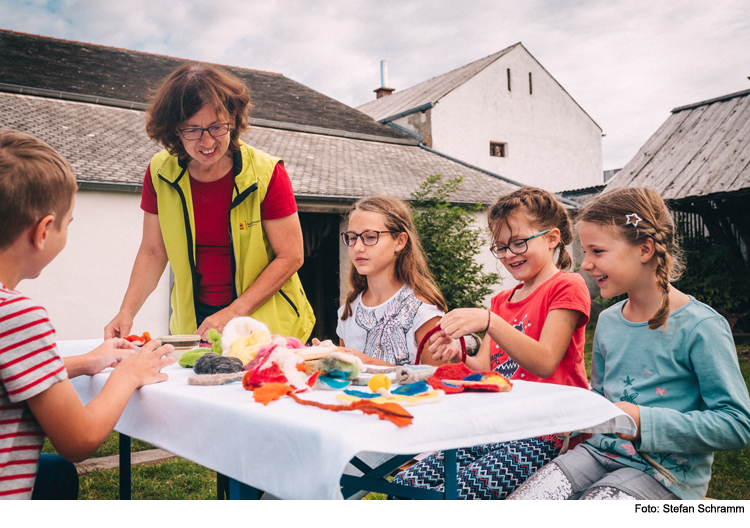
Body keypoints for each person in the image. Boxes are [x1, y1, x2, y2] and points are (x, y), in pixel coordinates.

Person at [508, 187, 750, 500]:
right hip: (597, 455)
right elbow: (600, 395)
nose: (585, 264)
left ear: (645, 250)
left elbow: (736, 424)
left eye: (597, 251)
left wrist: (641, 421)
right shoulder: (608, 322)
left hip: (664, 476)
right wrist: (575, 414)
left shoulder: (701, 327)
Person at [0, 130, 175, 500]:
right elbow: (78, 440)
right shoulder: (19, 316)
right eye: (69, 223)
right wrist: (127, 375)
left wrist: (89, 361)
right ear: (44, 230)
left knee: (56, 475)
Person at [392, 187, 591, 499]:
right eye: (500, 247)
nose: (509, 254)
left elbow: (545, 361)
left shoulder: (567, 286)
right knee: (406, 485)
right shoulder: (501, 300)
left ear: (552, 238)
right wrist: (457, 355)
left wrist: (490, 322)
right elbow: (484, 370)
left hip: (547, 432)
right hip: (498, 426)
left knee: (456, 494)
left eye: (518, 242)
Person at [104, 63, 314, 342]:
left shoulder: (266, 172)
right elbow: (154, 251)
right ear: (174, 129)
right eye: (192, 129)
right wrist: (126, 312)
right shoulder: (159, 172)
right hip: (196, 323)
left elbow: (291, 256)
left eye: (216, 127)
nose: (206, 141)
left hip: (264, 322)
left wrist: (234, 312)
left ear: (234, 118)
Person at [335, 196, 448, 367]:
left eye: (370, 237)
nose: (358, 247)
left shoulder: (422, 309)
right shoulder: (348, 309)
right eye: (352, 237)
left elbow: (442, 380)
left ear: (400, 241)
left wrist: (369, 364)